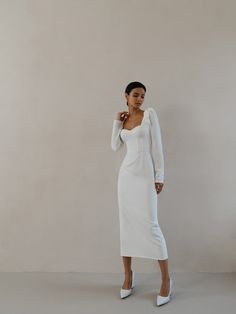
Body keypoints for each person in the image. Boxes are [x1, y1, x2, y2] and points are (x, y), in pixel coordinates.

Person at [111, 81, 173, 306]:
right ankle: (128, 276)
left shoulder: (149, 116)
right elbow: (114, 147)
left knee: (151, 225)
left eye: (143, 96)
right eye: (135, 95)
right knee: (126, 225)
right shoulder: (124, 121)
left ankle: (166, 279)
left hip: (145, 177)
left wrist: (160, 176)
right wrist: (117, 122)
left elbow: (157, 147)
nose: (139, 99)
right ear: (126, 96)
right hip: (126, 178)